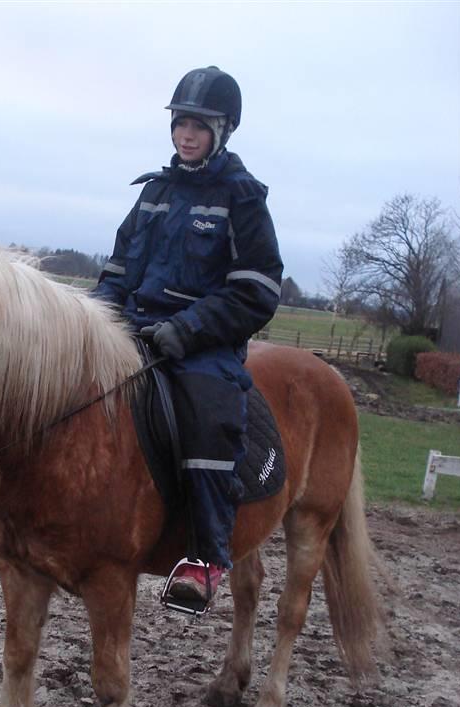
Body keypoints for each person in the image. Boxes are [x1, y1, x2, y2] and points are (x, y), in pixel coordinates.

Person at [93, 66, 283, 608]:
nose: (186, 135)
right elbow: (118, 270)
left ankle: (206, 557)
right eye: (180, 123)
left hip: (202, 345)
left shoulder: (242, 198)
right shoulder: (154, 191)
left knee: (207, 420)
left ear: (222, 130)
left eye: (198, 125)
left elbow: (256, 290)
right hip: (133, 329)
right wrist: (93, 322)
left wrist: (186, 329)